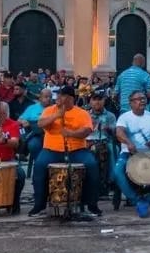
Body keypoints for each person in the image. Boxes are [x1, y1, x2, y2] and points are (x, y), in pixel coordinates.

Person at [29, 87, 101, 217]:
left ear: (70, 98)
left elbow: (87, 131)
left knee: (92, 165)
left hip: (77, 150)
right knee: (39, 166)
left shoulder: (82, 113)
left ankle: (92, 205)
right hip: (51, 150)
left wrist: (71, 133)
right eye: (58, 96)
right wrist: (56, 115)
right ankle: (39, 205)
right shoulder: (49, 110)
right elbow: (40, 124)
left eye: (61, 96)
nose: (58, 98)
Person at [113, 91, 150, 217]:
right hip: (128, 153)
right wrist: (128, 143)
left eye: (143, 98)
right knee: (117, 172)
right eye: (138, 99)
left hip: (147, 154)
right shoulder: (125, 117)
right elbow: (119, 133)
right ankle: (136, 199)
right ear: (131, 103)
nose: (142, 101)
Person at [19, 87, 53, 175]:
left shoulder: (55, 108)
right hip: (36, 134)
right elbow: (19, 120)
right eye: (46, 97)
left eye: (50, 97)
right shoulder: (32, 108)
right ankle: (40, 167)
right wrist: (24, 121)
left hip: (52, 134)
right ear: (40, 98)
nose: (48, 99)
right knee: (33, 145)